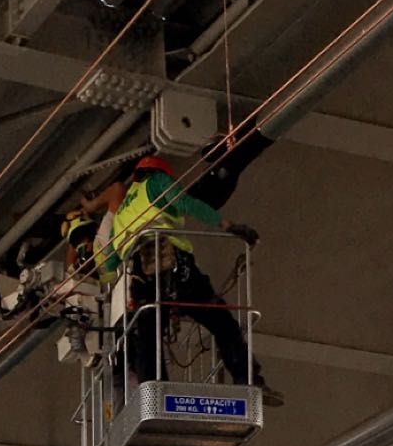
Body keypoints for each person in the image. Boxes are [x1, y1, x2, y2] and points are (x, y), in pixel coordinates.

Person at [64, 153, 282, 406]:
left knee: (147, 333)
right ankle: (249, 381)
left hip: (139, 275)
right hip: (173, 263)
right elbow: (187, 203)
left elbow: (110, 263)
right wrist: (228, 225)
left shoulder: (123, 211)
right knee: (221, 321)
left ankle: (154, 394)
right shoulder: (157, 181)